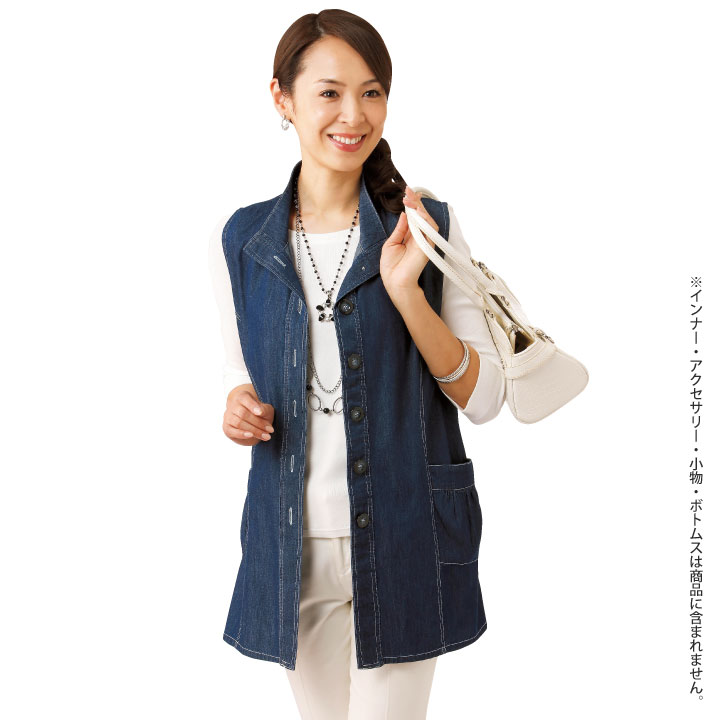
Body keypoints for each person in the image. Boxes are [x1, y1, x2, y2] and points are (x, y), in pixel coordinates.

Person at [208, 10, 505, 719]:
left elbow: (485, 397)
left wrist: (407, 293)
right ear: (282, 99)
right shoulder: (243, 238)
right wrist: (237, 410)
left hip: (405, 535)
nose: (354, 115)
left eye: (372, 92)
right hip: (292, 546)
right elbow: (240, 376)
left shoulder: (427, 225)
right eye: (330, 93)